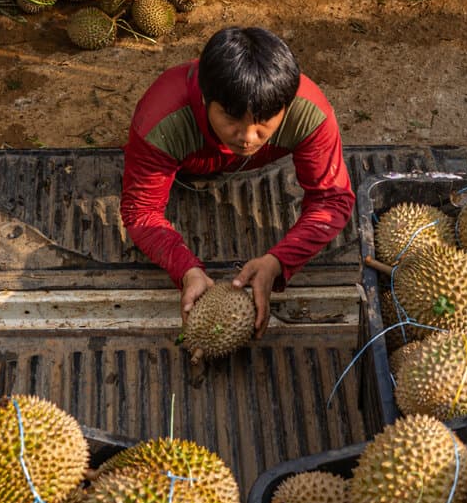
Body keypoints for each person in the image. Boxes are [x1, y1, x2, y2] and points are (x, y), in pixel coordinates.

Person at [121, 27, 354, 334]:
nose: (247, 138)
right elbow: (141, 212)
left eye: (262, 123)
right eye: (231, 120)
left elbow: (333, 199)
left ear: (285, 106)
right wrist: (186, 269)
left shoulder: (309, 112)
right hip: (188, 164)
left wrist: (277, 263)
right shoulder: (162, 121)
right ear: (205, 99)